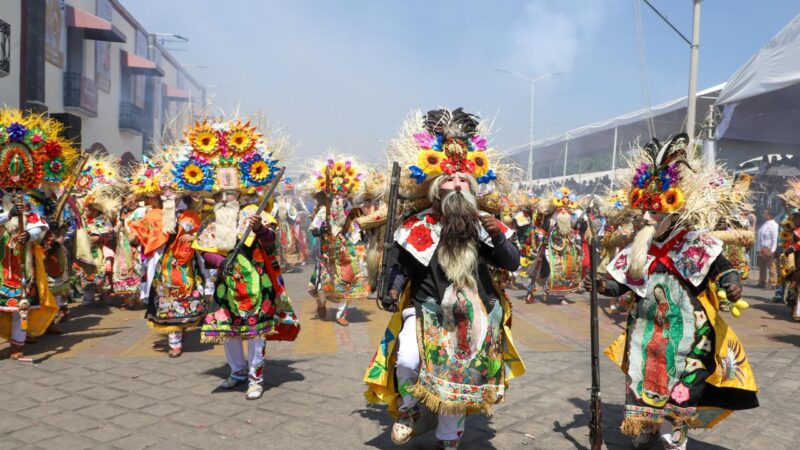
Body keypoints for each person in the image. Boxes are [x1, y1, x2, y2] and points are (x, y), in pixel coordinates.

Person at [364, 108, 525, 449]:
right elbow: (402, 267)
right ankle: (408, 408)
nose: (457, 185)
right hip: (425, 309)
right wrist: (392, 290)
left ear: (472, 187)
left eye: (464, 180)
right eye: (450, 180)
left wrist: (499, 237)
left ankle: (448, 439)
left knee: (460, 379)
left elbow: (512, 262)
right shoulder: (418, 224)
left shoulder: (484, 223)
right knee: (407, 360)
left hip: (472, 315)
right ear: (437, 188)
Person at [587, 134, 758, 450]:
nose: (647, 217)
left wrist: (732, 283)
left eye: (654, 212)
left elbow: (723, 269)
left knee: (683, 388)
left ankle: (673, 434)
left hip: (692, 335)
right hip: (646, 332)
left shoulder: (696, 242)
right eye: (645, 210)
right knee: (644, 381)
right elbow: (619, 284)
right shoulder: (639, 245)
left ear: (673, 211)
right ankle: (644, 425)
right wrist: (601, 285)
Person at [171, 118, 299, 400]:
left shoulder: (255, 214)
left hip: (255, 283)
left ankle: (255, 378)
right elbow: (204, 249)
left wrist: (259, 229)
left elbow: (270, 242)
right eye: (221, 194)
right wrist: (219, 262)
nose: (226, 198)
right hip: (226, 283)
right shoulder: (212, 221)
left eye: (230, 193)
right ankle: (237, 371)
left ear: (240, 194)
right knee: (228, 332)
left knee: (255, 333)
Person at [0, 109, 79, 359]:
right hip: (1, 257)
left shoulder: (27, 201)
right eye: (8, 175)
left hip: (21, 259)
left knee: (21, 303)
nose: (12, 180)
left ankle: (17, 345)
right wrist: (9, 216)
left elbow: (39, 224)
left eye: (18, 174)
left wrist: (30, 235)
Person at [306, 157, 370, 326]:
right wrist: (322, 230)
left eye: (342, 195)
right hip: (328, 251)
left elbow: (358, 229)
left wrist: (360, 239)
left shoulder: (353, 211)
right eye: (336, 195)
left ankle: (342, 313)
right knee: (322, 282)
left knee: (348, 281)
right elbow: (313, 228)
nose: (339, 198)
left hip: (347, 251)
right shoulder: (324, 211)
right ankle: (321, 302)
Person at [756, 209, 778, 289]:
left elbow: (774, 238)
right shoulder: (765, 223)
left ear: (770, 215)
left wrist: (773, 250)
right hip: (762, 247)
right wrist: (758, 249)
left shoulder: (774, 225)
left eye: (765, 213)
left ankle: (772, 283)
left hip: (768, 248)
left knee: (771, 266)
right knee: (762, 266)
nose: (763, 215)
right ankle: (762, 282)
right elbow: (760, 237)